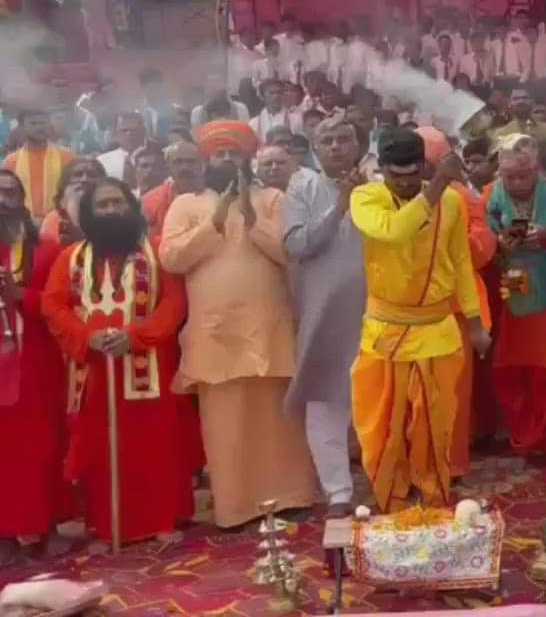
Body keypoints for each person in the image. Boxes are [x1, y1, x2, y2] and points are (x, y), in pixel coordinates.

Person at [160, 120, 315, 528]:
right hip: (216, 330)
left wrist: (250, 220)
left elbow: (291, 253)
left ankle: (291, 495)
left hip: (269, 323)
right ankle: (236, 507)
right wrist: (215, 222)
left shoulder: (274, 198)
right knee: (226, 422)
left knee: (278, 414)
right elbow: (172, 259)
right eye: (220, 153)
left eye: (235, 153)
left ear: (248, 157)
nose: (227, 160)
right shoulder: (185, 204)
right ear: (209, 159)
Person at [41, 178, 193, 547]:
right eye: (102, 205)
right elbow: (53, 304)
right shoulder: (71, 256)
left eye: (117, 203)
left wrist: (137, 337)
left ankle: (161, 519)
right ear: (90, 213)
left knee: (156, 446)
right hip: (92, 372)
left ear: (131, 206)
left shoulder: (157, 251)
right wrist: (86, 337)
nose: (111, 211)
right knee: (98, 449)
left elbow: (174, 303)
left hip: (149, 368)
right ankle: (105, 525)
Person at [349, 128, 488, 511]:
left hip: (438, 330)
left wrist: (475, 323)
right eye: (398, 176)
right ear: (382, 170)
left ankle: (434, 499)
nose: (407, 183)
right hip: (385, 331)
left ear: (424, 166)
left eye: (414, 174)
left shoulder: (453, 203)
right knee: (383, 429)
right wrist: (438, 184)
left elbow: (460, 262)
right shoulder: (366, 197)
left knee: (435, 426)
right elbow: (395, 231)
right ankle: (390, 502)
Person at [283, 118, 366, 517]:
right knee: (325, 402)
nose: (335, 146)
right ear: (316, 150)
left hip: (376, 309)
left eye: (343, 139)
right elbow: (297, 244)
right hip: (324, 312)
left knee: (380, 395)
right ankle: (338, 492)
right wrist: (340, 207)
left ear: (358, 144)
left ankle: (390, 477)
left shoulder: (381, 185)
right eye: (326, 141)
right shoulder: (303, 187)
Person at [487, 135, 546, 467]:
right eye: (510, 177)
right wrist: (496, 245)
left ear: (537, 170)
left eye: (525, 176)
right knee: (512, 372)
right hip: (510, 298)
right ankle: (523, 439)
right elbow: (478, 244)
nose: (518, 184)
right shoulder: (489, 200)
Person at [420, 127, 497, 481]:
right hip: (409, 309)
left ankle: (452, 464)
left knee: (453, 391)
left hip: (456, 308)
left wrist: (446, 247)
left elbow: (483, 246)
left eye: (426, 160)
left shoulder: (462, 196)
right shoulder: (388, 195)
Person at [0, 170, 69, 566]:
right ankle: (6, 532)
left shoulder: (45, 249)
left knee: (41, 448)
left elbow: (59, 302)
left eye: (11, 193)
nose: (4, 200)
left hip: (36, 364)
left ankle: (45, 525)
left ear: (24, 199)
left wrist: (19, 294)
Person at [4, 109, 74, 221]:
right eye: (33, 123)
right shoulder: (11, 161)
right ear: (22, 128)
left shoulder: (66, 156)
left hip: (59, 222)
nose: (39, 127)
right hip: (23, 223)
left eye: (43, 123)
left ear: (50, 125)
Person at [141, 141, 203, 237]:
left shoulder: (216, 198)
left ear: (202, 166)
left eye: (191, 161)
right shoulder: (150, 202)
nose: (185, 167)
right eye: (178, 162)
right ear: (168, 167)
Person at [39, 157, 106, 244]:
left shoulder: (108, 213)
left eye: (92, 175)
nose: (84, 179)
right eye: (78, 175)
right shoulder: (53, 219)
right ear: (65, 182)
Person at [98, 112, 149, 182]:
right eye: (124, 130)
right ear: (115, 133)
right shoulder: (102, 161)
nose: (129, 134)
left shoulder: (156, 160)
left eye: (134, 130)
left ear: (143, 132)